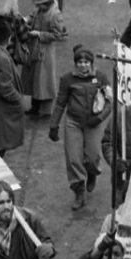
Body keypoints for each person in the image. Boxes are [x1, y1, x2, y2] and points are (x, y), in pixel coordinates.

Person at [49, 45, 112, 210]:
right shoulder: (67, 79)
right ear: (75, 63)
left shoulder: (101, 77)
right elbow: (60, 102)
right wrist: (53, 124)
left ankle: (92, 173)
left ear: (91, 63)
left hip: (93, 123)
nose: (83, 65)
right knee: (74, 158)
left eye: (86, 62)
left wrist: (99, 118)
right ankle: (79, 191)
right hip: (73, 122)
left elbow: (110, 102)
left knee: (93, 156)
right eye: (80, 62)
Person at [22, 0, 67, 118]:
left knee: (44, 81)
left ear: (45, 2)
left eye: (39, 4)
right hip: (34, 48)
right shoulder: (40, 10)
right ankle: (35, 106)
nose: (37, 7)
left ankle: (46, 110)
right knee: (34, 79)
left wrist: (39, 34)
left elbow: (58, 35)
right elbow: (32, 16)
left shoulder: (55, 15)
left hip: (45, 51)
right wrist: (25, 20)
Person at [101, 82, 131, 204]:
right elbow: (107, 143)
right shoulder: (120, 116)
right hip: (122, 180)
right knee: (119, 214)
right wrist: (115, 161)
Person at [0, 19, 24, 157]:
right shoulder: (2, 57)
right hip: (0, 109)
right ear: (9, 37)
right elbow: (5, 87)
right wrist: (18, 99)